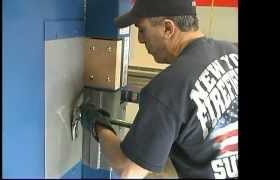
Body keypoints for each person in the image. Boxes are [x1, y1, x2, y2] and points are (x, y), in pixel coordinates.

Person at [80, 0, 238, 178]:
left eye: (142, 29)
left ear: (168, 28)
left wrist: (99, 125)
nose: (140, 39)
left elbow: (128, 169)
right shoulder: (231, 52)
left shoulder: (168, 87)